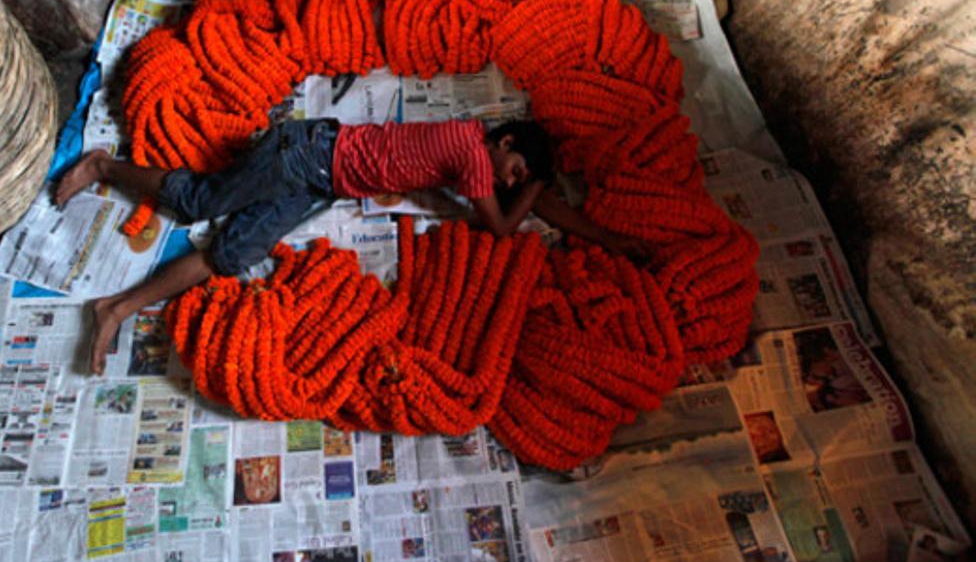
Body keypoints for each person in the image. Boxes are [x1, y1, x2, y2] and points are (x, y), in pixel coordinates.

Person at [55, 118, 643, 375]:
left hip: (316, 179)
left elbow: (530, 209)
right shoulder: (469, 149)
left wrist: (611, 238)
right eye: (514, 170)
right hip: (305, 153)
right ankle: (104, 165)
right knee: (198, 200)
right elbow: (501, 227)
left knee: (229, 258)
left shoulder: (477, 159)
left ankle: (117, 308)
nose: (509, 183)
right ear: (503, 141)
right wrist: (531, 189)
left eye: (515, 181)